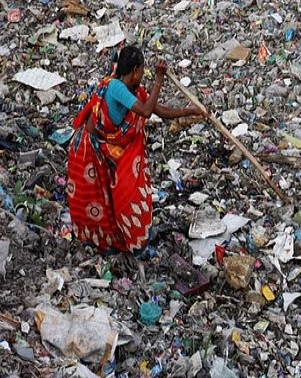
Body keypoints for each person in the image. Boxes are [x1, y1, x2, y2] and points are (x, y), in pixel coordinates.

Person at [66, 45, 203, 254]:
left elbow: (159, 110)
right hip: (89, 148)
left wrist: (191, 110)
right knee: (95, 200)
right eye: (143, 70)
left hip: (107, 149)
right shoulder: (116, 87)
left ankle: (119, 239)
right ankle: (100, 243)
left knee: (112, 197)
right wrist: (159, 78)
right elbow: (147, 111)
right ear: (136, 69)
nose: (143, 74)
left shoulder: (133, 90)